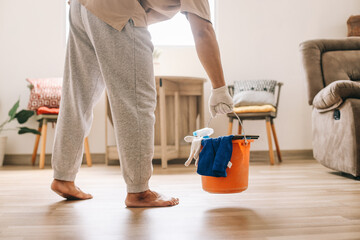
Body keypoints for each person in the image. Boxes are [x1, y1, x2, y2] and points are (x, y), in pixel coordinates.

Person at [50, 0, 234, 207]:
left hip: (81, 7)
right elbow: (202, 32)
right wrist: (219, 88)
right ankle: (139, 191)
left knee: (79, 94)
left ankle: (63, 177)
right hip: (116, 9)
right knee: (136, 101)